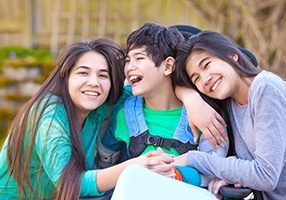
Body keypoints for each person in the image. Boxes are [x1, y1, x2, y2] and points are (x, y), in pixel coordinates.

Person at [0, 38, 175, 199]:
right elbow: (70, 183)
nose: (94, 82)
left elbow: (153, 88)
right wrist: (134, 167)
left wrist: (192, 98)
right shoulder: (49, 116)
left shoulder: (99, 104)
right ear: (65, 77)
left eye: (103, 75)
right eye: (83, 73)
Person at [99, 22, 230, 188]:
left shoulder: (204, 115)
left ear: (168, 66)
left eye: (139, 58)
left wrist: (175, 173)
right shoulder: (124, 114)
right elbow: (105, 165)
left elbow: (212, 171)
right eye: (127, 60)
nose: (130, 67)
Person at [173, 30, 286, 199]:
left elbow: (265, 175)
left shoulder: (266, 88)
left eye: (207, 65)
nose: (205, 79)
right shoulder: (229, 103)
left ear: (232, 55)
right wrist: (190, 98)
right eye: (196, 78)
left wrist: (194, 159)